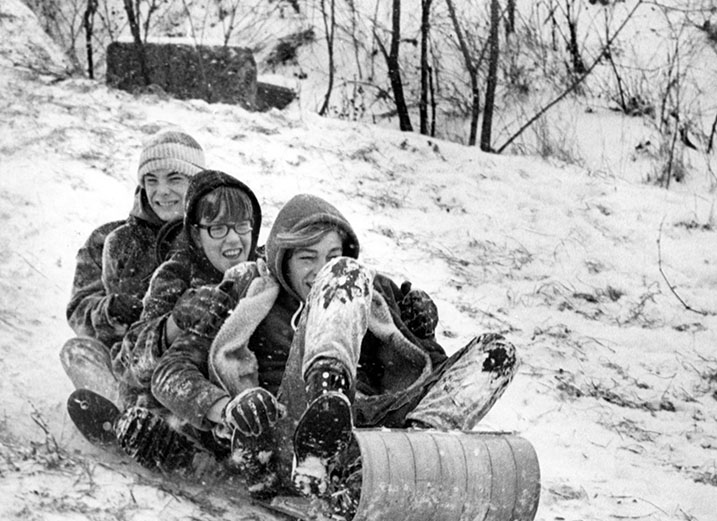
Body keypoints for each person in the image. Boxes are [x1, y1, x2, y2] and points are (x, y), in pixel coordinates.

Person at [151, 193, 519, 501]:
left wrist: (424, 332)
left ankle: (419, 449)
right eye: (307, 258)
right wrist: (228, 409)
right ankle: (323, 423)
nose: (320, 270)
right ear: (283, 260)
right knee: (345, 278)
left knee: (497, 352)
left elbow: (430, 372)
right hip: (288, 427)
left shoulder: (372, 295)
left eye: (331, 256)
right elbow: (169, 373)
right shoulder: (247, 293)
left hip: (375, 424)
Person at [107, 169, 263, 470]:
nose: (234, 238)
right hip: (177, 394)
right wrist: (174, 323)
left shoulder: (261, 272)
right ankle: (164, 440)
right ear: (195, 232)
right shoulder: (175, 274)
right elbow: (128, 365)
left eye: (242, 225)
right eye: (217, 228)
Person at [61, 129, 206, 402]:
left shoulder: (213, 237)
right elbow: (78, 310)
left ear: (196, 183)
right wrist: (110, 311)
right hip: (124, 365)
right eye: (151, 181)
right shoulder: (109, 241)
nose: (161, 192)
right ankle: (121, 422)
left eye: (174, 178)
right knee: (78, 351)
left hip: (186, 366)